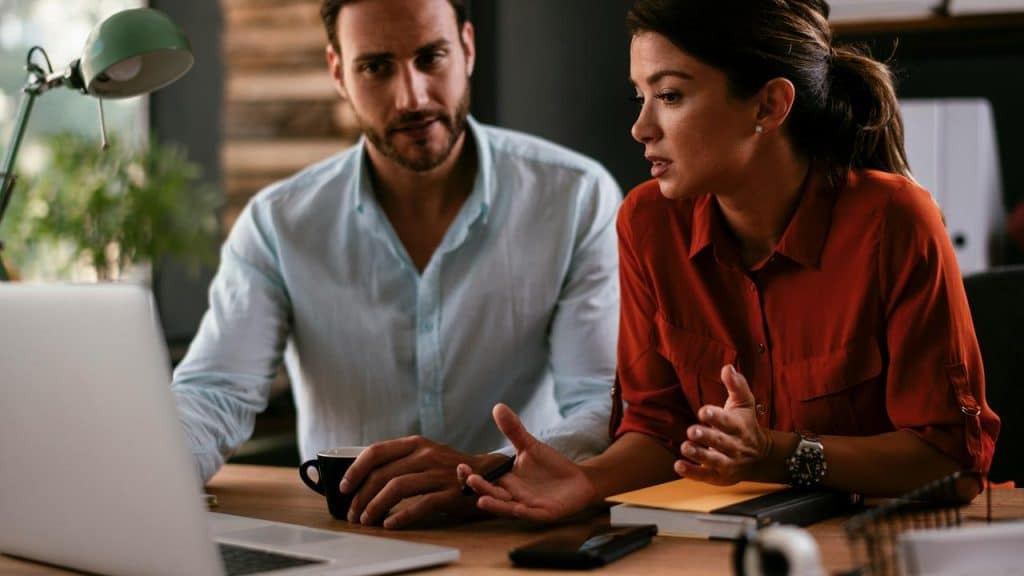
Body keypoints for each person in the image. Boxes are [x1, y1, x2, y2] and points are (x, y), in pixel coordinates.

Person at [460, 0, 1000, 522]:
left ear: (768, 105)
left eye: (670, 96)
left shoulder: (895, 221)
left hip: (867, 547)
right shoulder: (648, 223)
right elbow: (655, 431)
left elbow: (951, 464)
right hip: (708, 546)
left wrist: (779, 453)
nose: (642, 127)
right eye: (639, 97)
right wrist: (587, 481)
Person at [172, 0, 621, 529]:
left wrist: (492, 472)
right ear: (339, 73)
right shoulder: (279, 225)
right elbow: (214, 394)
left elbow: (599, 401)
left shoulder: (575, 199)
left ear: (468, 49)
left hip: (512, 529)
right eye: (376, 67)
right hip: (346, 539)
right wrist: (138, 472)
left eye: (431, 57)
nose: (412, 97)